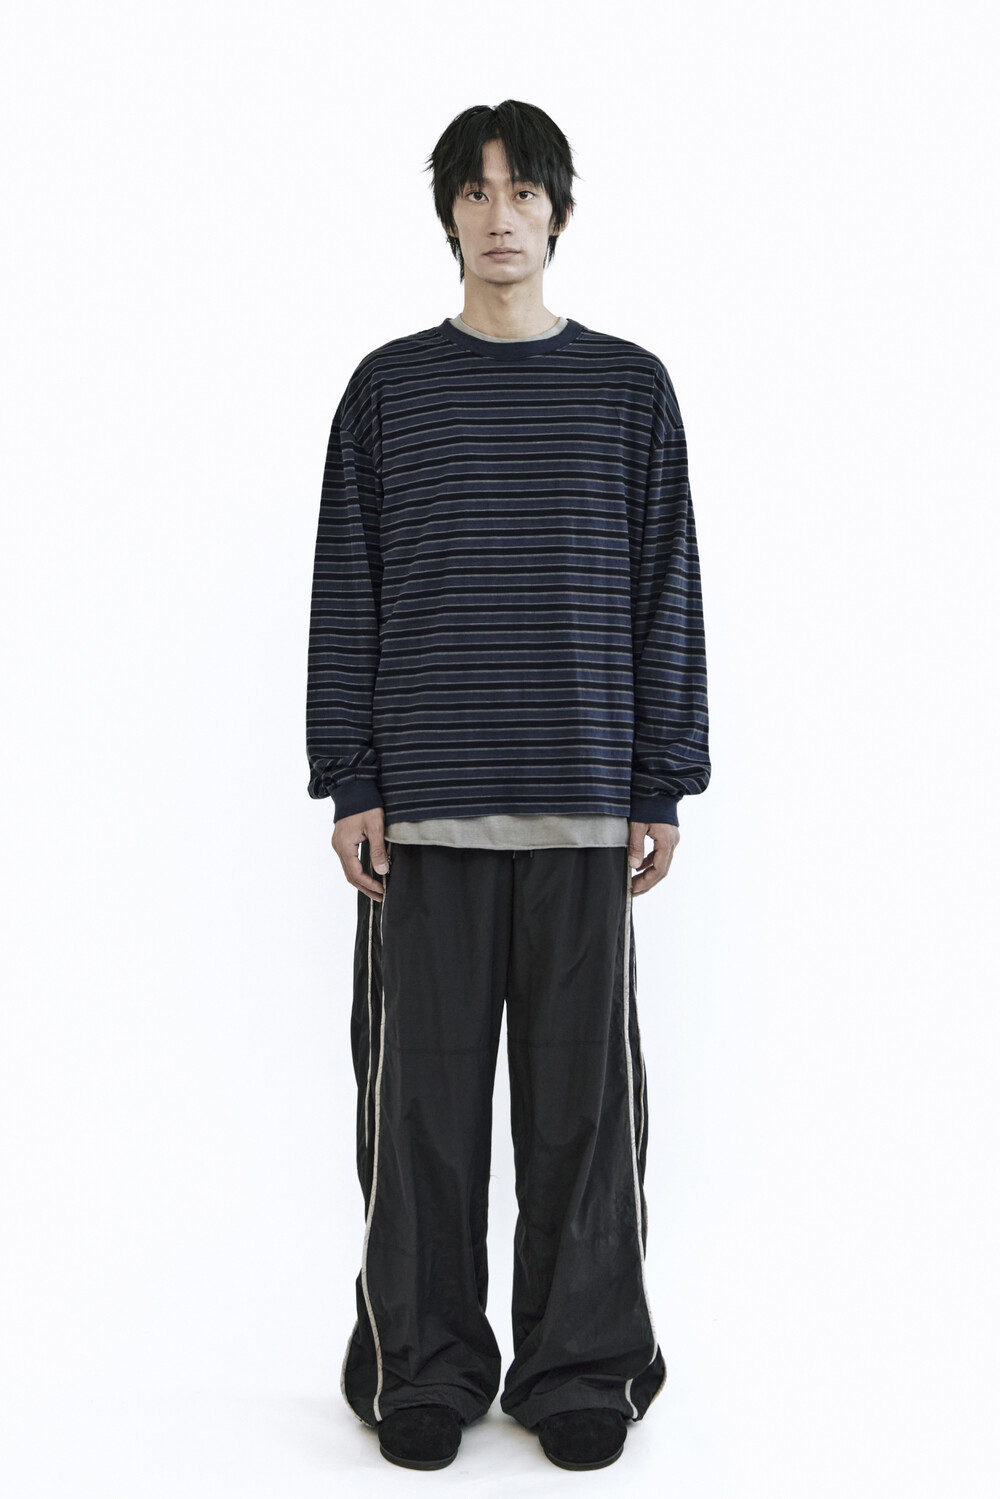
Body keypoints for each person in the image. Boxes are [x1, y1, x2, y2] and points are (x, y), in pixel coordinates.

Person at [305, 99, 711, 1473]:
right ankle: (421, 1365)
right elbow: (347, 591)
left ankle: (580, 1368)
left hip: (585, 799)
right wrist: (350, 779)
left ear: (558, 210)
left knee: (580, 1115)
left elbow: (666, 589)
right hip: (425, 810)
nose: (499, 215)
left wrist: (661, 780)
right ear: (447, 215)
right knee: (419, 1112)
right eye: (475, 192)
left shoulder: (630, 390)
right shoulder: (389, 391)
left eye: (522, 189)